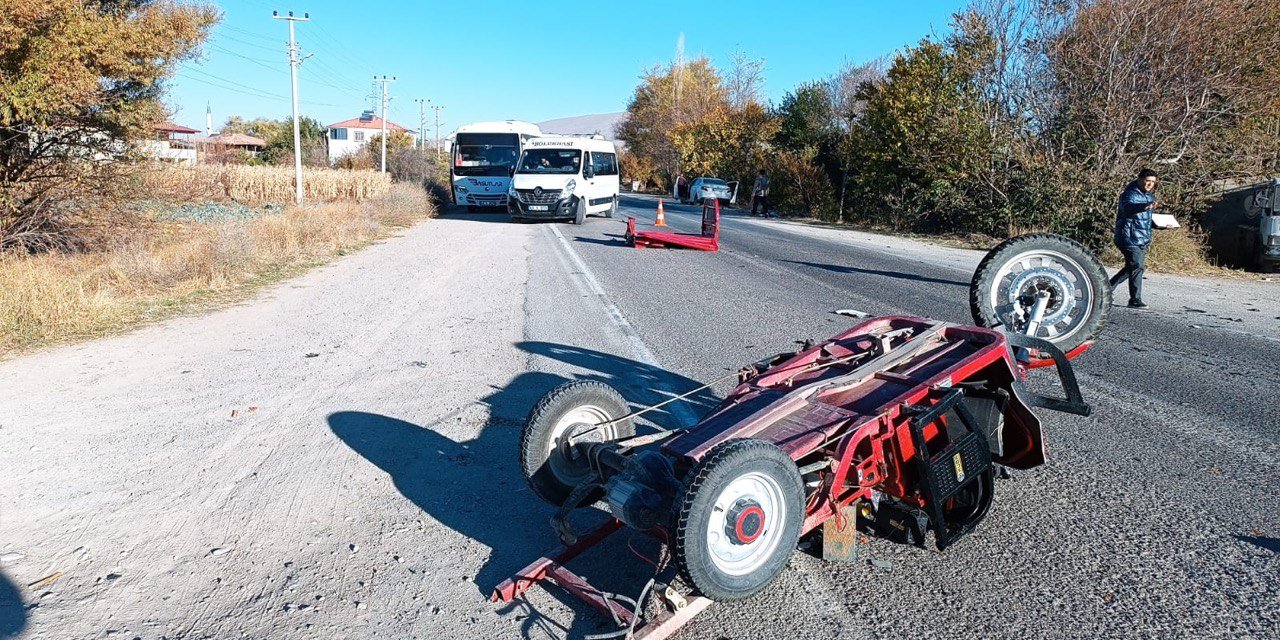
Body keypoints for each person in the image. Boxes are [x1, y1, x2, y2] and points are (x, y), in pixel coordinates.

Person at [1111, 168, 1160, 308]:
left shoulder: (1150, 197)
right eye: (1147, 181)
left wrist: (1161, 225)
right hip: (1127, 236)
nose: (1149, 184)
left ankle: (1106, 288)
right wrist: (1144, 207)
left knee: (1131, 267)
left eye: (1152, 182)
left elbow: (1146, 220)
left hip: (1141, 238)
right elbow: (1128, 208)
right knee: (1137, 266)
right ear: (1139, 179)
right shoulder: (1128, 194)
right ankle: (1135, 299)